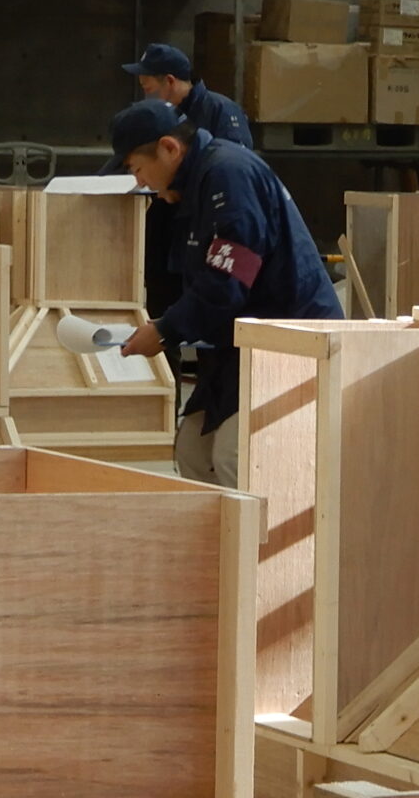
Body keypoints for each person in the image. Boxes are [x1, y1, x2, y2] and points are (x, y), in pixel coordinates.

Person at [111, 98, 340, 487]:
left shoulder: (228, 175)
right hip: (242, 345)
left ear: (169, 148)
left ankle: (267, 529)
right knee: (193, 453)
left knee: (236, 457)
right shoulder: (201, 180)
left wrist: (166, 329)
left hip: (290, 341)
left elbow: (226, 281)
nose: (141, 182)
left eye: (137, 168)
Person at [123, 43, 252, 151]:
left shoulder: (221, 111)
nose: (146, 96)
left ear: (170, 81)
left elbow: (236, 163)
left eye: (148, 89)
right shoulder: (160, 116)